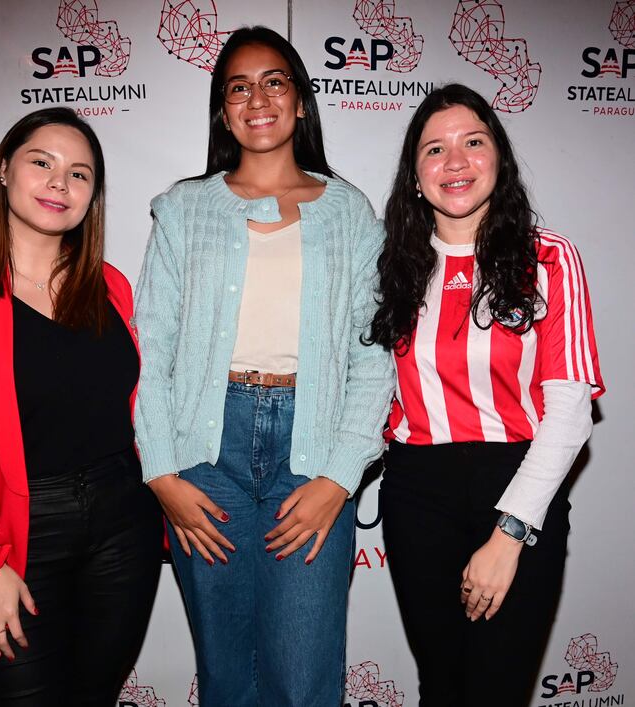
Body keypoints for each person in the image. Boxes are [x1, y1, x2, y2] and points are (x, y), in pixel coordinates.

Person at [133, 25, 394, 707]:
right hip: (204, 453)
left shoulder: (350, 213)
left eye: (274, 80)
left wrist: (340, 475)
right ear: (223, 110)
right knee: (227, 674)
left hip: (311, 452)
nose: (257, 98)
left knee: (302, 678)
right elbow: (151, 346)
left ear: (301, 100)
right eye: (237, 87)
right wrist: (161, 471)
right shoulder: (185, 208)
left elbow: (373, 357)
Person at [0, 107, 162, 707]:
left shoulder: (111, 285)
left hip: (125, 524)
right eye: (41, 162)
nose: (59, 183)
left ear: (92, 195)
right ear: (2, 171)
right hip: (17, 533)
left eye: (80, 173)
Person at [366, 84, 604, 706]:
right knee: (441, 688)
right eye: (434, 150)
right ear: (414, 177)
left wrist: (509, 534)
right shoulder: (391, 266)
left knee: (498, 691)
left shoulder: (548, 259)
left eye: (473, 142)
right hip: (416, 492)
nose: (456, 162)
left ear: (498, 156)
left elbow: (571, 414)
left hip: (519, 480)